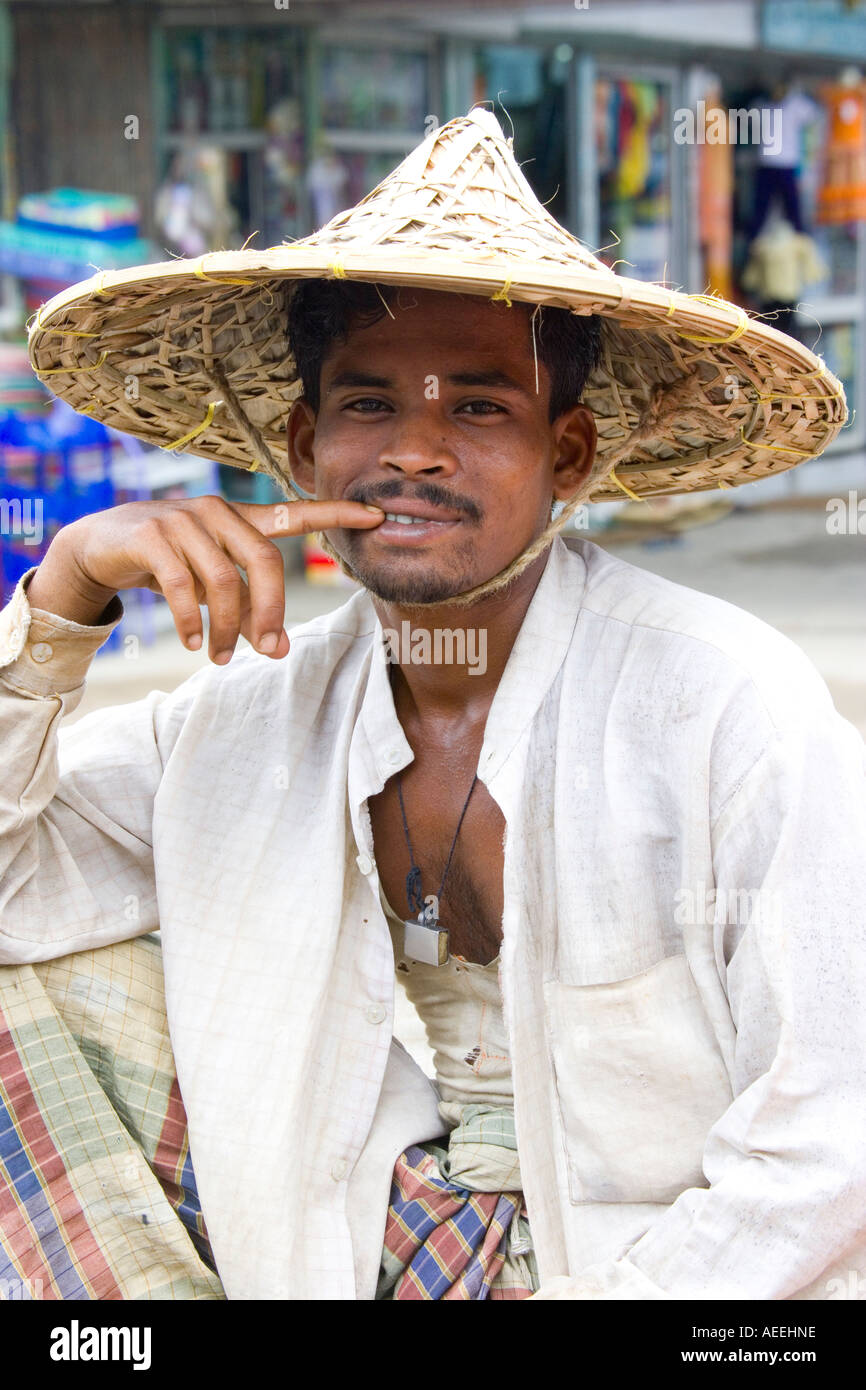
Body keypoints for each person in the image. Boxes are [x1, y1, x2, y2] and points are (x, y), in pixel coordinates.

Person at [3, 107, 864, 1301]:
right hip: (386, 1236)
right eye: (367, 406)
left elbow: (827, 1148)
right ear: (304, 447)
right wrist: (66, 591)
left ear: (565, 457)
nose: (413, 452)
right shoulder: (242, 714)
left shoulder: (724, 707)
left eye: (475, 407)